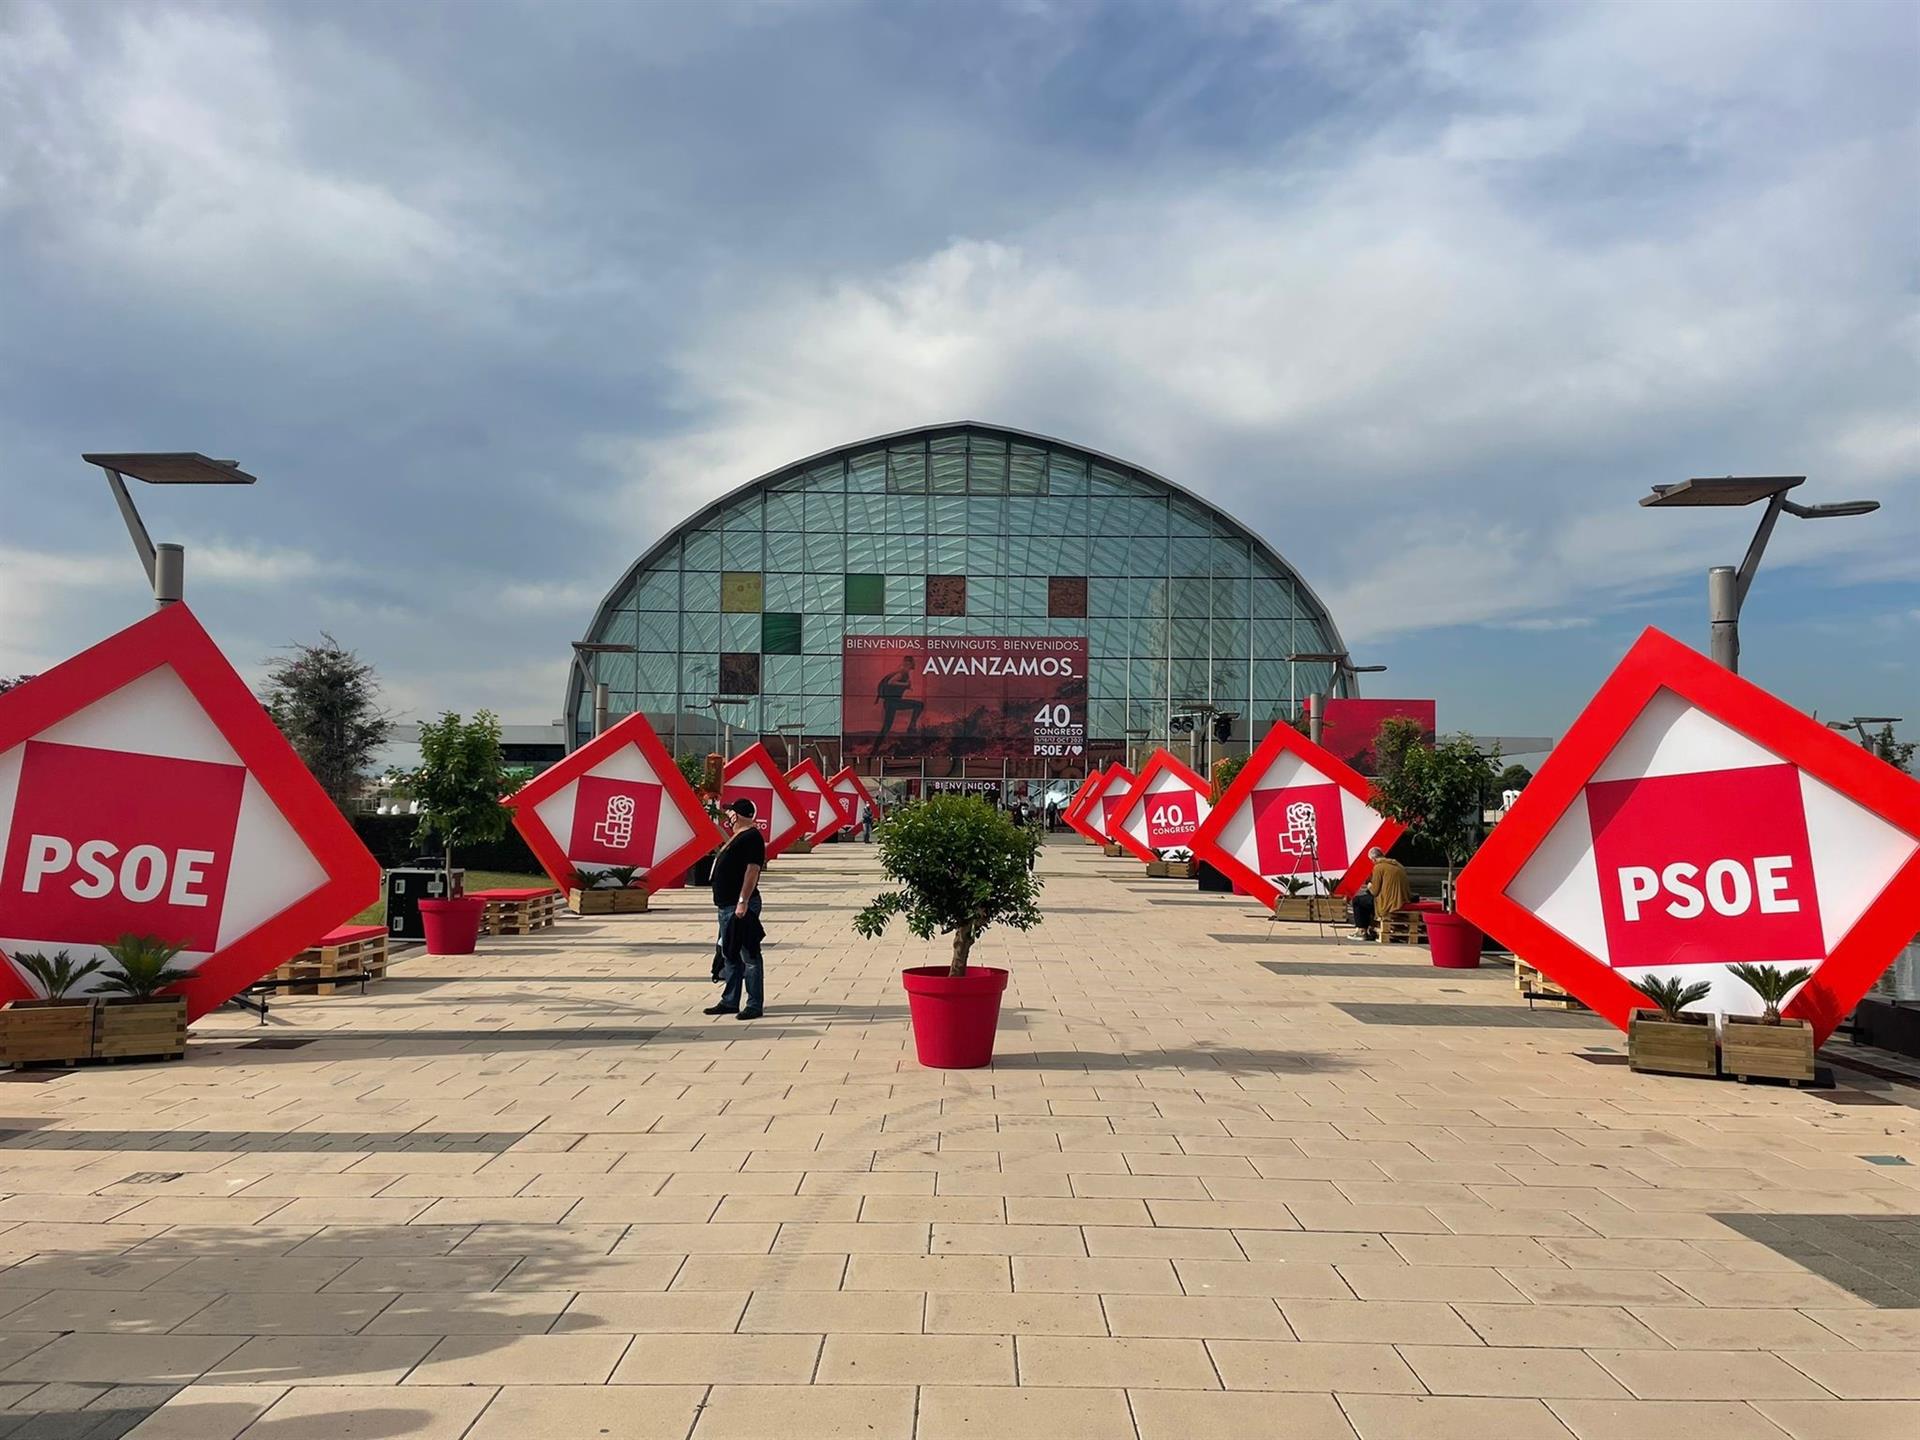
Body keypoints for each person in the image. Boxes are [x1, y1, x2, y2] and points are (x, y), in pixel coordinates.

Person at [704, 797, 766, 1019]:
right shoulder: (737, 837)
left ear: (737, 815)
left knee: (748, 954)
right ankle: (730, 1000)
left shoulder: (751, 837)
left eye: (730, 813)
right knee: (730, 953)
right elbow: (724, 848)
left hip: (738, 905)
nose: (728, 816)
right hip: (725, 905)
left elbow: (752, 870)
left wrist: (743, 901)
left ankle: (754, 1003)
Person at [870, 655, 925, 755]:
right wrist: (906, 685)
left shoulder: (905, 674)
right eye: (908, 663)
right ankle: (911, 726)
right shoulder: (902, 674)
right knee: (919, 705)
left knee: (886, 727)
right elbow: (891, 682)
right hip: (892, 702)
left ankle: (875, 749)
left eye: (909, 664)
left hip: (893, 702)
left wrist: (907, 687)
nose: (909, 666)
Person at [1365, 846, 1411, 942]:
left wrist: (1369, 885)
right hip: (1403, 898)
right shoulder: (1398, 864)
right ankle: (1371, 927)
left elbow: (1375, 891)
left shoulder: (1378, 867)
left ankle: (1361, 930)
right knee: (1366, 900)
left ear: (1373, 859)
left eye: (1372, 860)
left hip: (1388, 902)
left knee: (1358, 901)